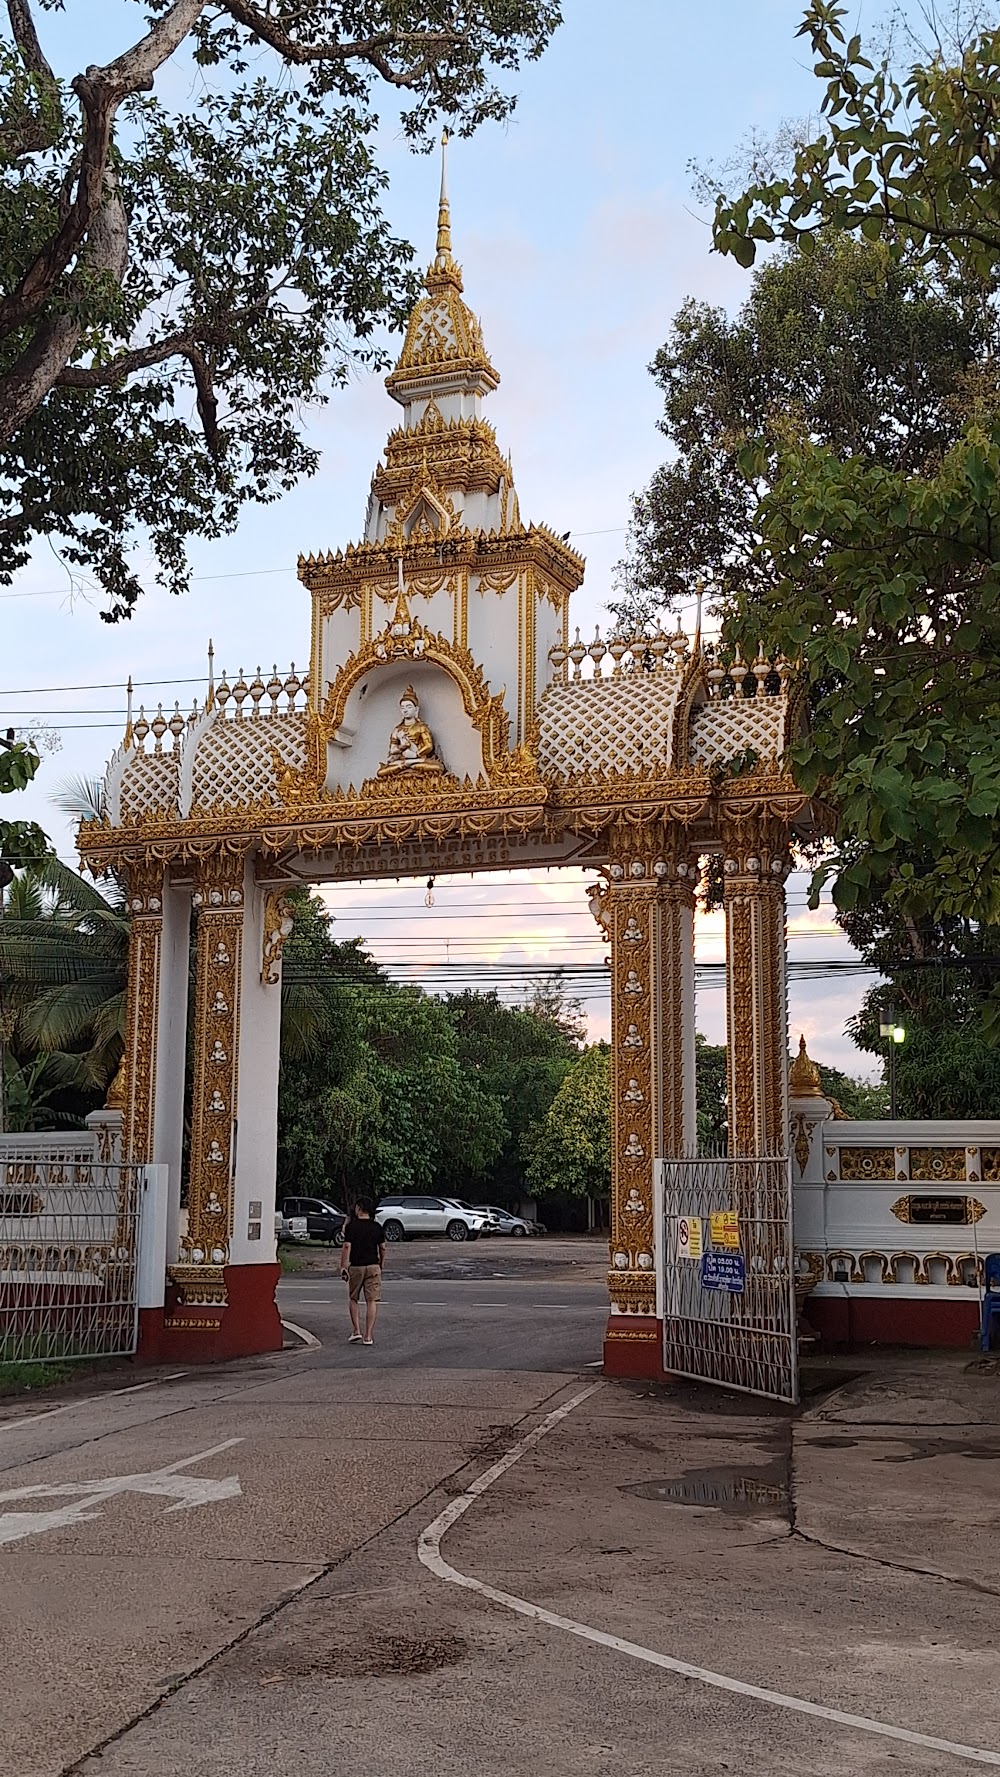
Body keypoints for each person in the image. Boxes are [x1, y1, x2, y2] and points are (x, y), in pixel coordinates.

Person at [340, 1197, 385, 1346]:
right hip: (373, 1266)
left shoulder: (352, 1227)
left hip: (356, 1267)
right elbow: (383, 1247)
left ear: (358, 1208)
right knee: (371, 1301)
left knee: (354, 1298)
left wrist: (343, 1267)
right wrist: (381, 1263)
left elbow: (347, 1247)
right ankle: (368, 1336)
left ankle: (356, 1331)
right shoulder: (377, 1227)